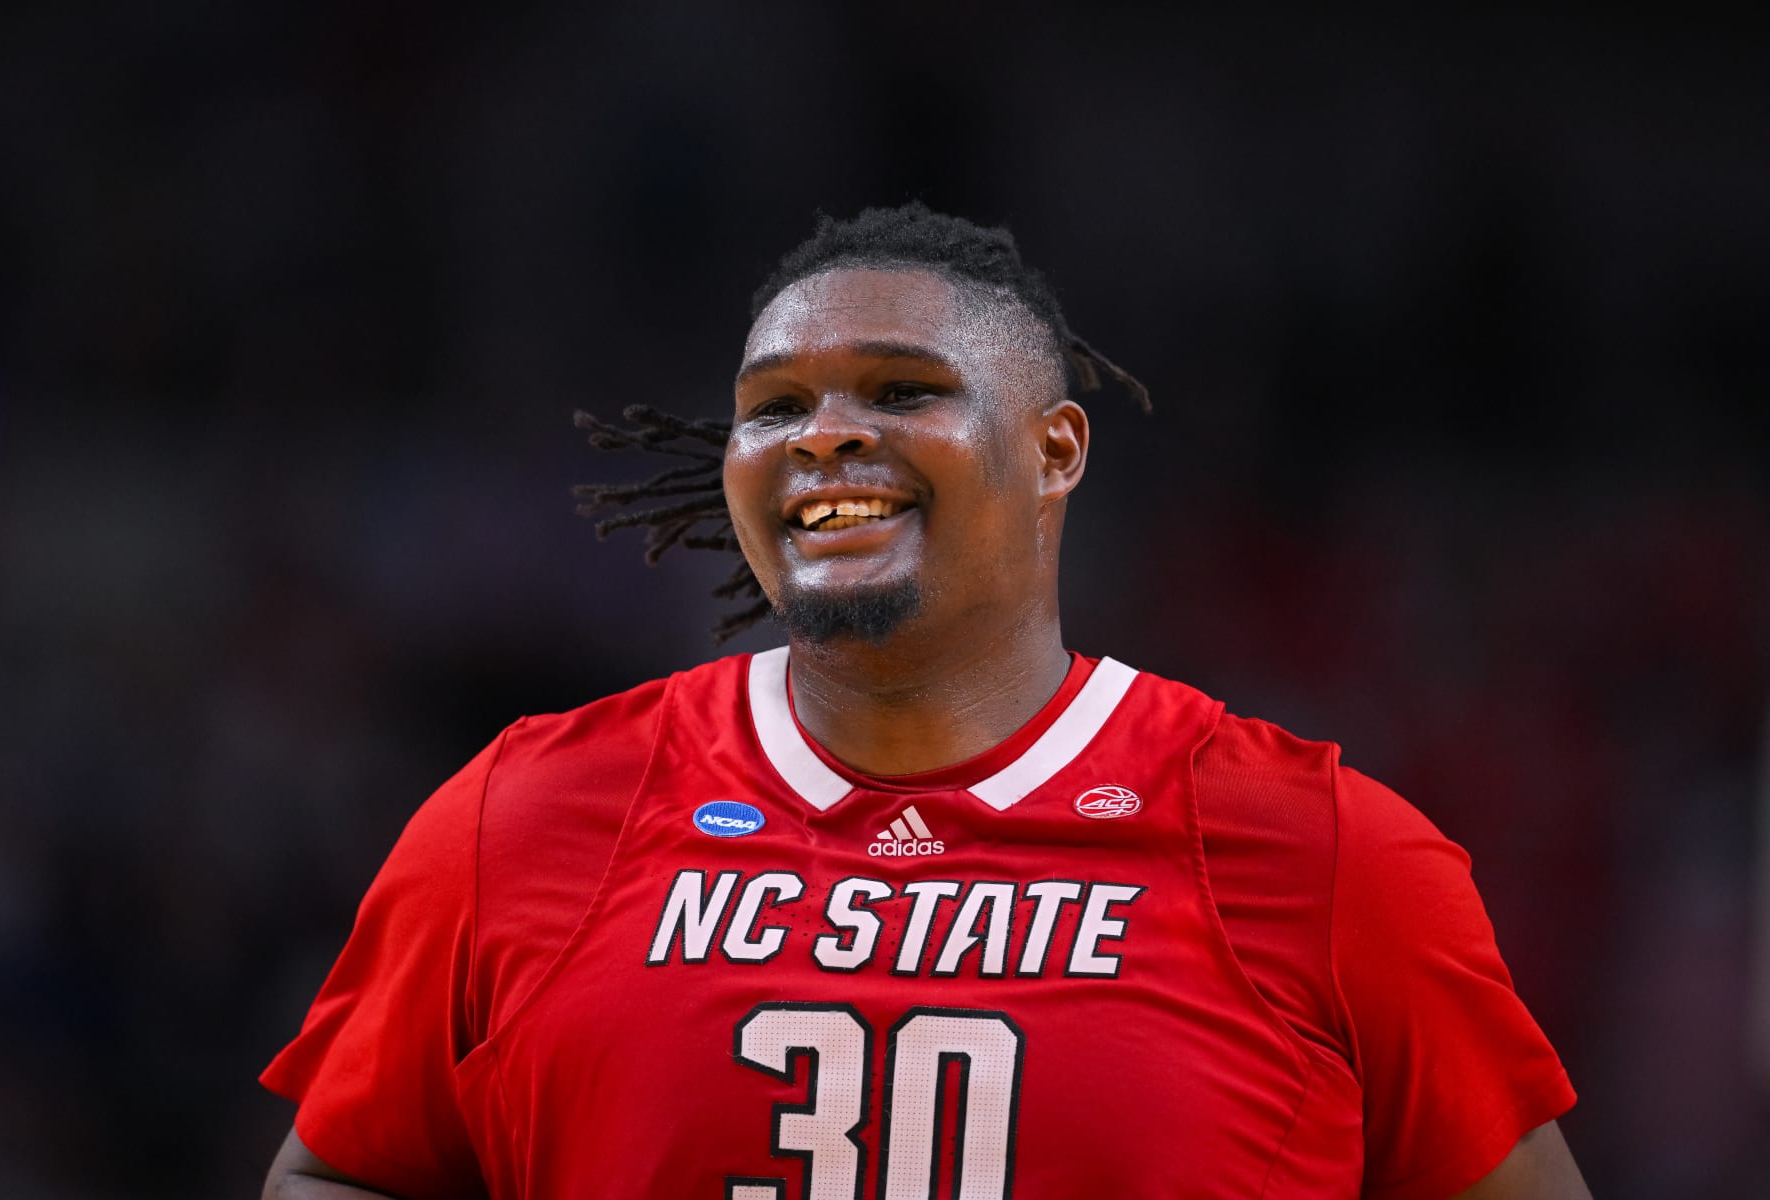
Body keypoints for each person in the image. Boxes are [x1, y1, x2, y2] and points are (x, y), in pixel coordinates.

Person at [260, 204, 1588, 1199]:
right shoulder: (525, 816)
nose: (825, 434)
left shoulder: (1329, 854)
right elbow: (339, 1171)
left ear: (1054, 448)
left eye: (903, 390)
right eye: (773, 406)